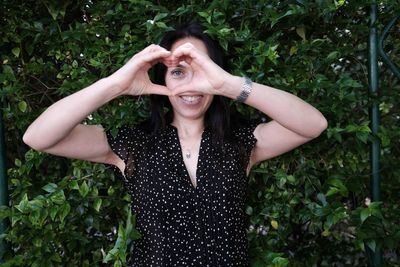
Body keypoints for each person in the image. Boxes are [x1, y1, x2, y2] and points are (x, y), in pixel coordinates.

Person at [23, 22, 327, 266]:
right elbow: (38, 137)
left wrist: (229, 85)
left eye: (202, 71)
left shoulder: (242, 142)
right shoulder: (131, 143)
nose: (191, 85)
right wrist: (117, 85)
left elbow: (313, 125)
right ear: (162, 80)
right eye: (178, 72)